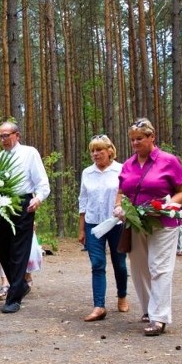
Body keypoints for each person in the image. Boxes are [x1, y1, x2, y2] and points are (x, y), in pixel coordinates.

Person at [113, 118, 182, 336]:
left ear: (151, 137)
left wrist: (169, 204)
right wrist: (119, 206)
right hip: (137, 223)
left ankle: (159, 317)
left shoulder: (169, 161)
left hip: (163, 221)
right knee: (138, 268)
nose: (136, 143)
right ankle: (148, 309)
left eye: (140, 138)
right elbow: (121, 191)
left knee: (159, 267)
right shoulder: (128, 164)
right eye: (132, 139)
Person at [0, 121, 50, 314]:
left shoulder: (29, 153)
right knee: (3, 251)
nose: (3, 140)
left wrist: (38, 198)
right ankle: (20, 285)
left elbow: (42, 181)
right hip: (2, 206)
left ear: (17, 135)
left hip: (23, 205)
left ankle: (13, 299)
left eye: (6, 135)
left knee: (19, 251)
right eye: (0, 136)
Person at [78, 134, 128, 322]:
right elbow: (83, 200)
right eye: (92, 150)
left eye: (99, 150)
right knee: (97, 264)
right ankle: (99, 306)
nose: (95, 153)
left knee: (120, 264)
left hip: (116, 223)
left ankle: (122, 295)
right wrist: (81, 228)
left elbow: (126, 194)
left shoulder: (121, 170)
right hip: (93, 223)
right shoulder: (87, 173)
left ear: (109, 151)